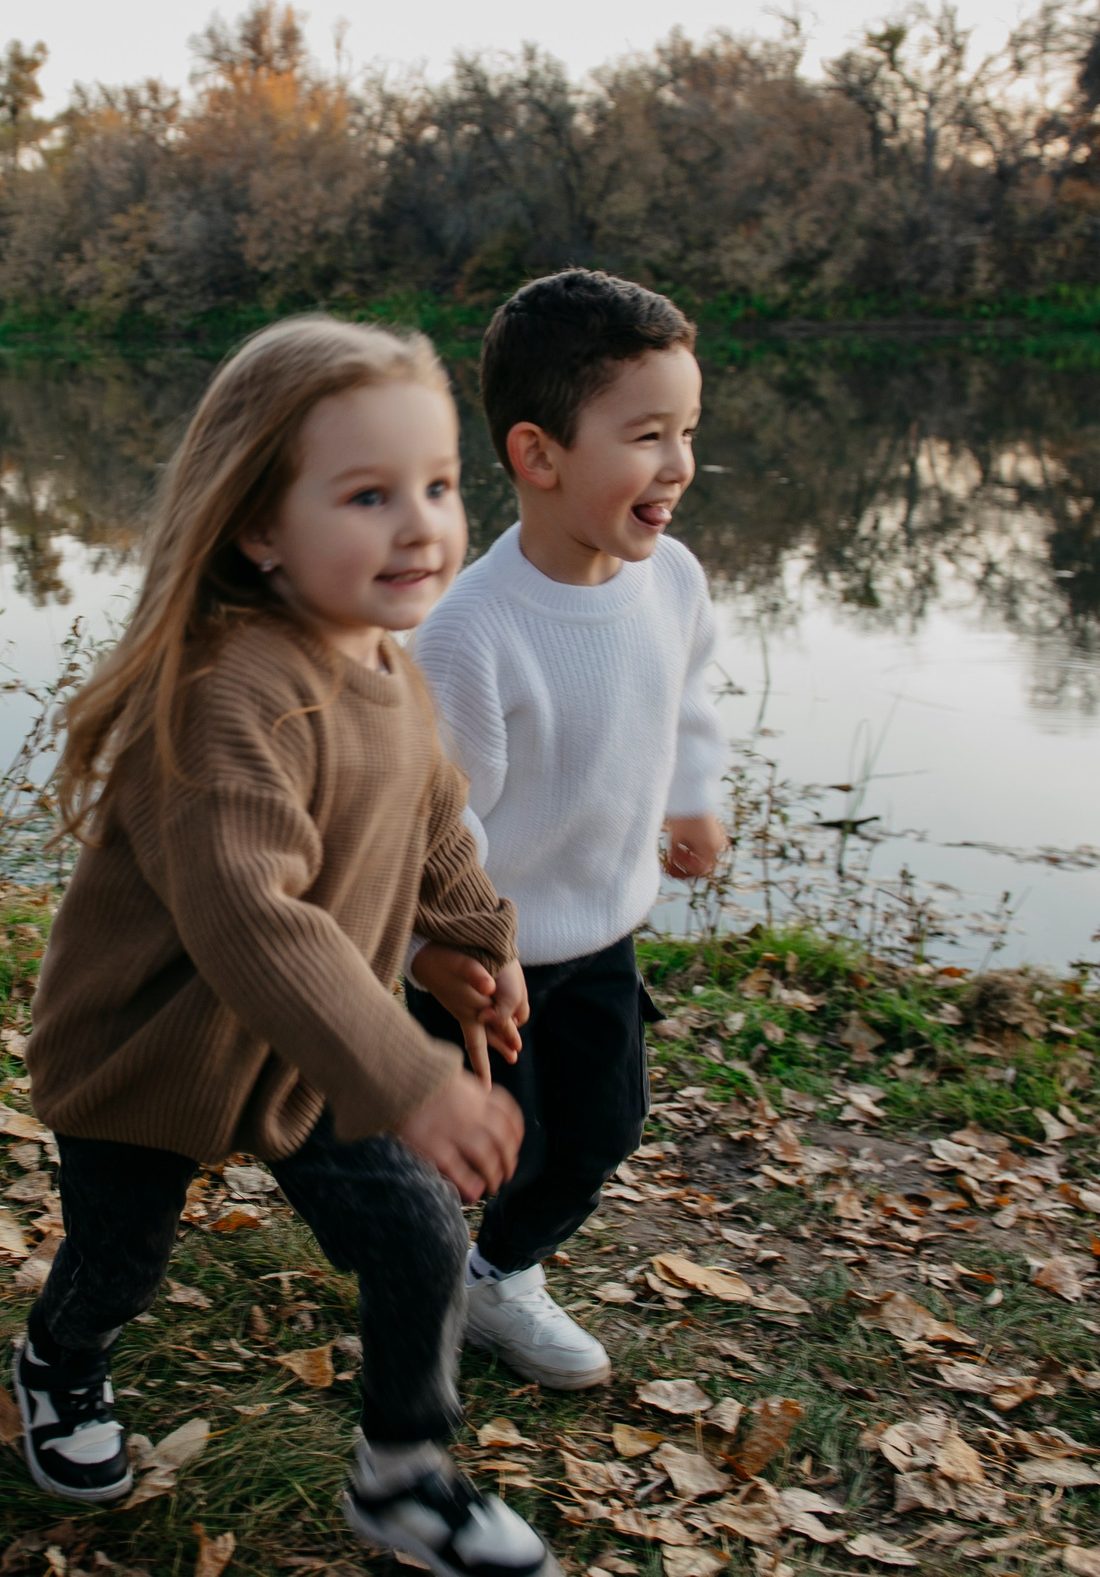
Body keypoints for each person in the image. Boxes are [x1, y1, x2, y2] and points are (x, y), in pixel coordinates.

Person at [15, 316, 563, 1577]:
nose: (420, 524)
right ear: (259, 526)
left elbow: (430, 814)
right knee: (120, 1263)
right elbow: (252, 919)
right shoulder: (221, 699)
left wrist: (468, 936)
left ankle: (407, 1476)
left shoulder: (387, 660)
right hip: (151, 1056)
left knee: (420, 1231)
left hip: (310, 1057)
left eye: (435, 486)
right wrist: (417, 1078)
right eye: (367, 495)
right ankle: (59, 1364)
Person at [406, 268, 728, 1393]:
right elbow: (420, 827)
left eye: (687, 431)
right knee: (459, 1158)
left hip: (596, 943)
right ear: (539, 456)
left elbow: (687, 695)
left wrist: (691, 793)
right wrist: (435, 952)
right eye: (646, 436)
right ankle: (416, 1300)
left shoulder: (671, 580)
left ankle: (500, 1278)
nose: (679, 465)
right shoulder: (470, 635)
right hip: (475, 965)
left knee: (597, 1132)